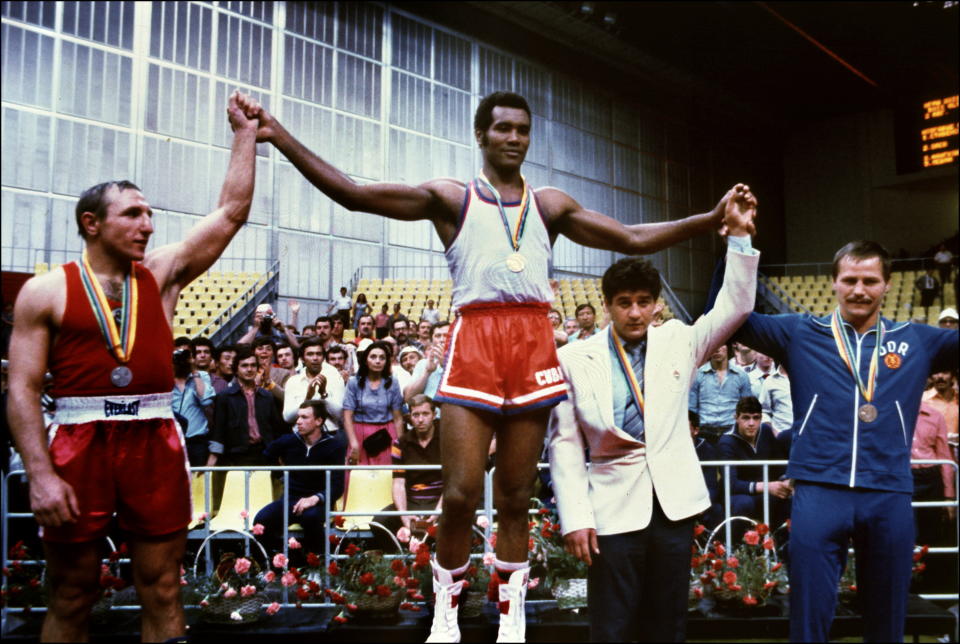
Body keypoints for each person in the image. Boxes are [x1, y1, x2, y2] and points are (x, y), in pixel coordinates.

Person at [238, 89, 746, 643]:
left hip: (531, 341)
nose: (513, 139)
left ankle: (510, 616)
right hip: (476, 337)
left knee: (513, 496)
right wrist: (277, 134)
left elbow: (628, 237)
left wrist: (710, 220)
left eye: (522, 130)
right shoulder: (452, 197)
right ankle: (447, 611)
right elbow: (355, 195)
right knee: (457, 494)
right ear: (481, 135)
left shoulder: (549, 205)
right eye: (503, 128)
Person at [5, 90, 259, 642]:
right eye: (134, 214)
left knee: (164, 586)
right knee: (73, 592)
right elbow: (22, 390)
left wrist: (245, 137)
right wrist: (41, 476)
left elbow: (232, 213)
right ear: (92, 223)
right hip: (78, 440)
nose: (148, 225)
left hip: (152, 438)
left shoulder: (162, 275)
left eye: (150, 214)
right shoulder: (45, 292)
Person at [716, 240, 958, 642]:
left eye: (870, 280)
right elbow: (730, 318)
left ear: (887, 285)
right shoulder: (800, 332)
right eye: (850, 280)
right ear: (834, 282)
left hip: (888, 490)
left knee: (887, 620)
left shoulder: (916, 339)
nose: (859, 289)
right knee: (809, 617)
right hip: (819, 487)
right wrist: (739, 244)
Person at [548, 197, 758, 642]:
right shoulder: (572, 358)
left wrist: (739, 236)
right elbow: (564, 444)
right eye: (624, 303)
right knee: (612, 626)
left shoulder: (680, 341)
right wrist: (575, 517)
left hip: (673, 505)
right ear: (606, 305)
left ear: (658, 304)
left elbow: (735, 307)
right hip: (610, 508)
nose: (636, 312)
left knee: (668, 625)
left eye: (644, 302)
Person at [253, 400, 346, 555]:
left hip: (318, 503)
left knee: (310, 518)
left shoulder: (334, 446)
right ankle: (279, 562)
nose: (298, 422)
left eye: (304, 417)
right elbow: (267, 455)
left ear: (318, 421)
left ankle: (317, 564)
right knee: (261, 521)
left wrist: (315, 498)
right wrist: (282, 476)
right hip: (290, 499)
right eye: (298, 417)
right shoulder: (289, 441)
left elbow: (337, 486)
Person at [372, 395, 443, 546]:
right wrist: (403, 515)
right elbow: (398, 483)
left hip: (440, 500)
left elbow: (452, 482)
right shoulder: (400, 443)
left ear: (434, 415)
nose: (420, 419)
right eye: (415, 415)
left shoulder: (447, 440)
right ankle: (402, 561)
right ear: (410, 417)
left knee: (461, 521)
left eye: (425, 414)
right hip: (412, 500)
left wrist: (437, 512)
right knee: (379, 522)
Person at [716, 396, 793, 533]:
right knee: (744, 503)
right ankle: (733, 548)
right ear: (736, 417)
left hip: (762, 491)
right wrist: (767, 486)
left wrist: (784, 481)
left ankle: (780, 546)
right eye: (746, 418)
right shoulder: (726, 442)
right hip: (737, 493)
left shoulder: (766, 431)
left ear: (761, 418)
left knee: (785, 498)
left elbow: (778, 466)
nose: (751, 423)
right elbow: (731, 484)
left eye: (756, 418)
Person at [342, 341, 404, 467]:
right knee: (359, 477)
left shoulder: (393, 382)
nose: (378, 361)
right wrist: (354, 443)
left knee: (386, 476)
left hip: (386, 434)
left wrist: (400, 444)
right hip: (359, 432)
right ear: (365, 360)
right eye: (373, 357)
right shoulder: (354, 382)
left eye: (382, 358)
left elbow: (398, 418)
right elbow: (347, 416)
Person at [909, 401, 955, 545]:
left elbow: (944, 456)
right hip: (905, 475)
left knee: (932, 532)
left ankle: (930, 566)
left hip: (931, 477)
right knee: (907, 530)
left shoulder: (935, 416)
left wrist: (949, 496)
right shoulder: (893, 413)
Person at [689, 344, 753, 443]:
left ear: (728, 347)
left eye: (721, 345)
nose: (717, 349)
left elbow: (747, 409)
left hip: (732, 433)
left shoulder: (741, 376)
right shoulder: (698, 375)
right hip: (704, 433)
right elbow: (692, 409)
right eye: (714, 345)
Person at [282, 337, 344, 431]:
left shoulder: (335, 378)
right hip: (301, 436)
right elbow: (288, 418)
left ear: (323, 358)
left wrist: (324, 395)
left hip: (329, 434)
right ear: (302, 359)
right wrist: (307, 398)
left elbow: (339, 415)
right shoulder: (293, 382)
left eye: (318, 354)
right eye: (310, 354)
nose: (315, 358)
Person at [172, 347, 215, 467]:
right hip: (173, 439)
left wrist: (194, 371)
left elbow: (206, 399)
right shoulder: (167, 379)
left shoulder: (201, 376)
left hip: (197, 440)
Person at [923, 370, 958, 463]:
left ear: (953, 377)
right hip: (932, 461)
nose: (940, 376)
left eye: (945, 372)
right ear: (930, 377)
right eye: (936, 372)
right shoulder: (922, 401)